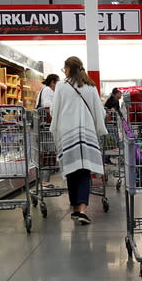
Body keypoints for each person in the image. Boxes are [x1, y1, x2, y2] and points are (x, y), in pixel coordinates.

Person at [50, 56, 108, 225]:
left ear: (68, 69)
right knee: (84, 171)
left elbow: (54, 110)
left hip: (67, 134)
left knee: (71, 170)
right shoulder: (91, 87)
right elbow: (100, 112)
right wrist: (98, 126)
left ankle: (77, 208)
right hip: (87, 133)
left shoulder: (61, 86)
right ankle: (81, 209)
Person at [36, 74, 60, 187]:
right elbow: (47, 105)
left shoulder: (45, 90)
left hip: (45, 127)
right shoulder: (47, 90)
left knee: (48, 153)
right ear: (52, 82)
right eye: (57, 82)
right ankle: (44, 182)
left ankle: (45, 181)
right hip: (46, 127)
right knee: (48, 153)